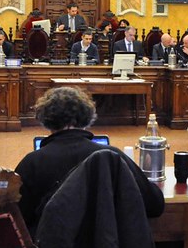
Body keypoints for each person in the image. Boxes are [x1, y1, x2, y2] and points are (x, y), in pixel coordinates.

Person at [14, 87, 164, 234]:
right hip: (108, 246)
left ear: (45, 120)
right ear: (87, 117)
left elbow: (18, 218)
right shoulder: (113, 157)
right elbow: (155, 205)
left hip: (53, 247)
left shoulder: (32, 162)